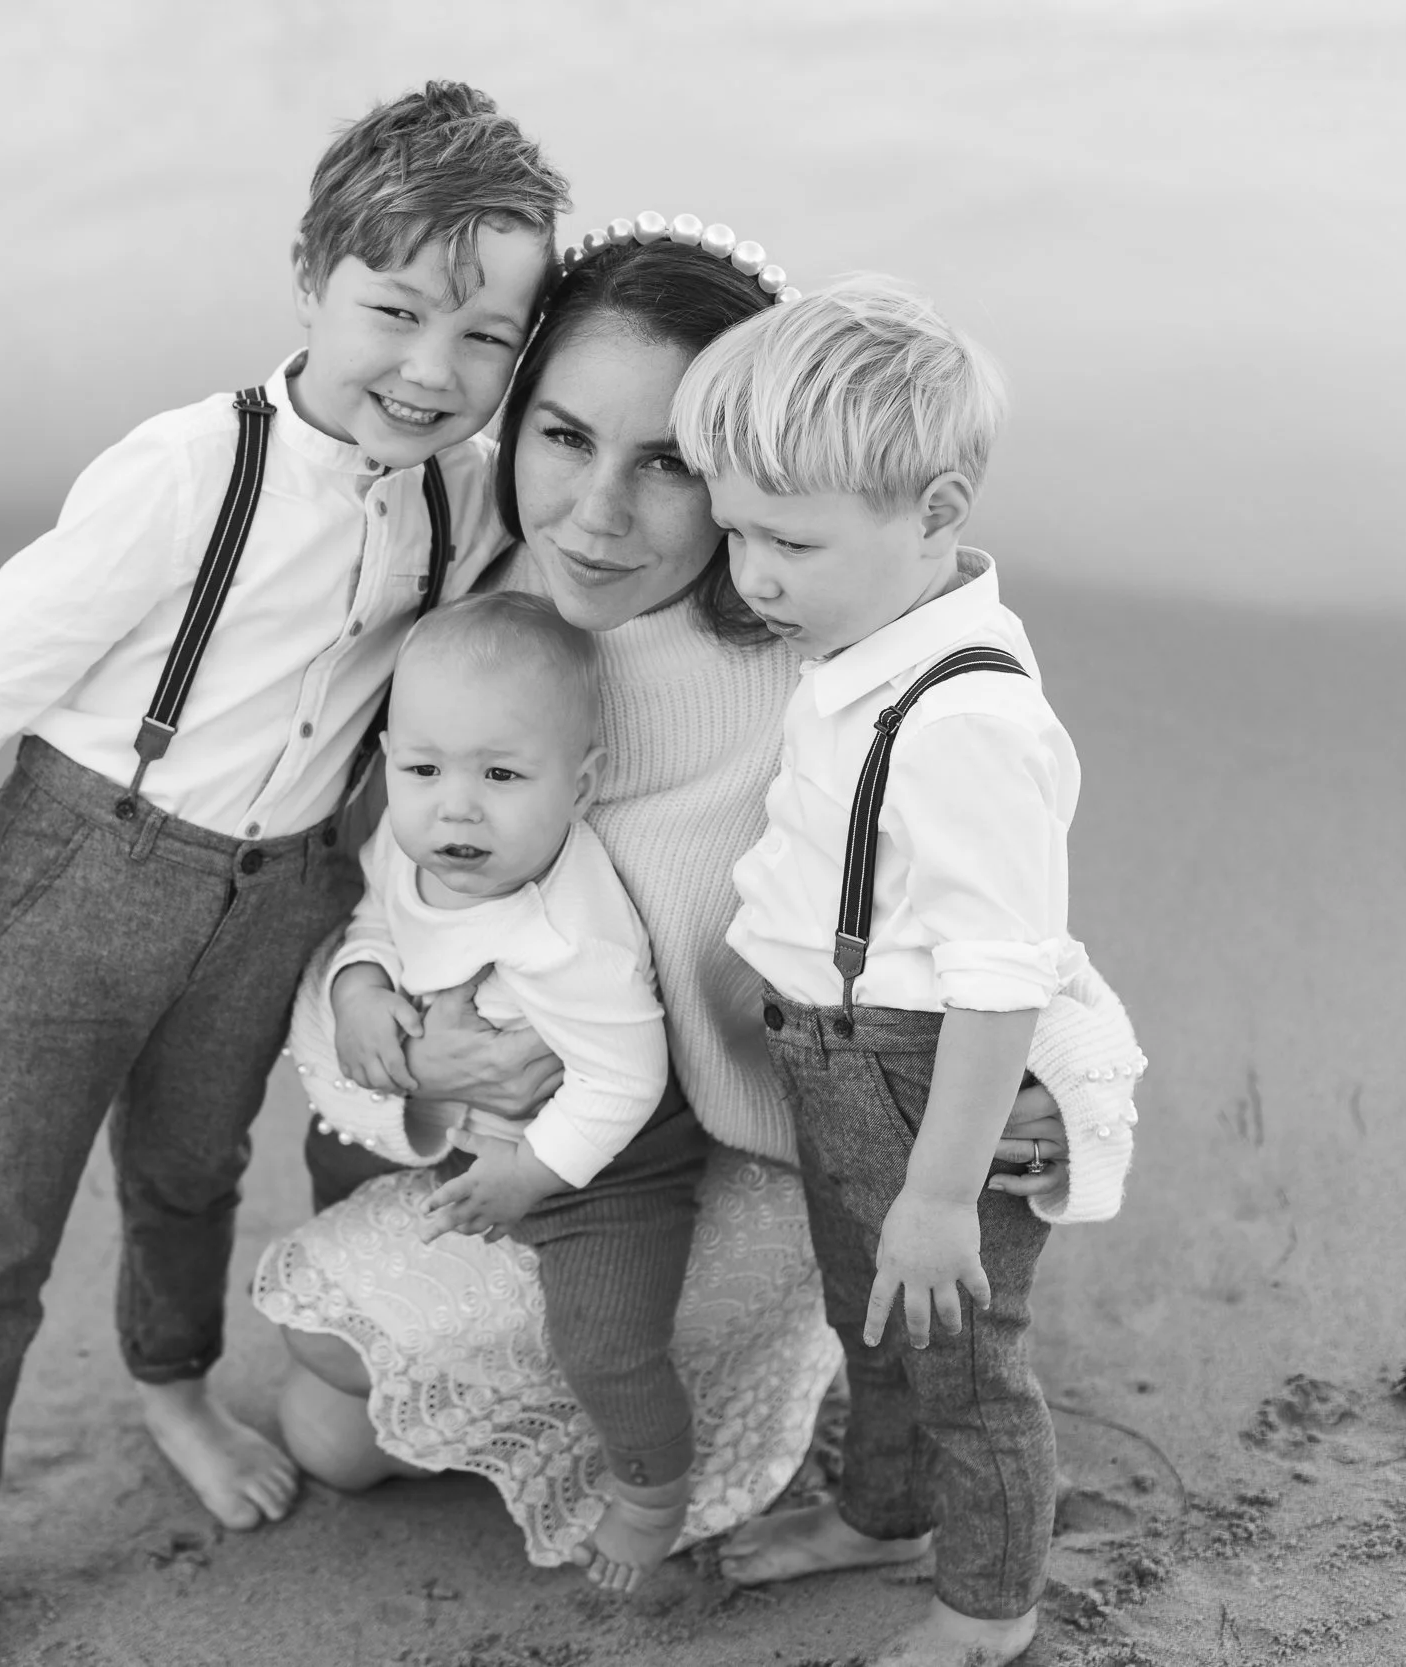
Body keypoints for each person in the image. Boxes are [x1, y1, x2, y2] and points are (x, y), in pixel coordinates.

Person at [0, 82, 566, 1667]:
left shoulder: (460, 494)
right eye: (395, 312)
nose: (432, 369)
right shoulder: (192, 470)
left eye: (484, 339)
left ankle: (172, 1383)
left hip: (282, 893)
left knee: (192, 1170)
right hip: (89, 866)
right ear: (311, 277)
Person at [255, 222, 1142, 1596]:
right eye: (563, 437)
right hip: (517, 1128)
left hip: (740, 1157)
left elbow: (1006, 912)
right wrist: (416, 1052)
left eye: (667, 463)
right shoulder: (468, 614)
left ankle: (747, 1405)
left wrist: (1064, 1089)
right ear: (511, 423)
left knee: (344, 1387)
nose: (597, 514)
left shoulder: (816, 664)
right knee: (329, 1420)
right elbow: (367, 894)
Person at [675, 273, 1116, 1666]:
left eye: (789, 541)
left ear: (934, 511)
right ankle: (882, 1511)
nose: (752, 574)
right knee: (868, 1320)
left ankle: (988, 1606)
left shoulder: (967, 717)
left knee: (966, 1363)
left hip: (928, 1081)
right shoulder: (862, 643)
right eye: (735, 530)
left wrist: (938, 1190)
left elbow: (999, 975)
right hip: (836, 1055)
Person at [327, 590, 700, 1592]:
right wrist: (358, 984)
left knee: (606, 1339)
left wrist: (533, 1173)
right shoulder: (410, 841)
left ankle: (651, 1492)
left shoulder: (569, 934)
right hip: (479, 1134)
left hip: (607, 1167)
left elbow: (625, 1079)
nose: (456, 806)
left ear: (581, 785)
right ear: (389, 761)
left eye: (500, 774)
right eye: (424, 769)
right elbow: (380, 916)